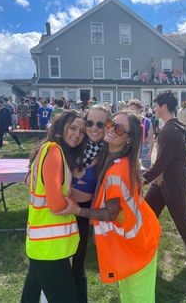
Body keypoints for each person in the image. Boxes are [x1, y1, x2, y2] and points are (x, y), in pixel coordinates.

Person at [59, 111, 161, 303]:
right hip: (134, 242)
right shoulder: (115, 158)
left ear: (129, 139)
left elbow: (111, 213)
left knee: (139, 298)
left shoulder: (117, 170)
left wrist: (78, 210)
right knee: (130, 295)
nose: (111, 129)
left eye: (119, 128)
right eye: (111, 123)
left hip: (141, 243)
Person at [21, 110, 86, 303]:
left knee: (31, 296)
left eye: (82, 131)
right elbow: (56, 204)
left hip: (42, 243)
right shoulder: (53, 151)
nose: (77, 134)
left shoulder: (50, 151)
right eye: (73, 128)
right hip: (51, 248)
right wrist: (73, 203)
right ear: (60, 127)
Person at [143, 91, 186, 269]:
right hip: (162, 181)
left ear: (164, 106)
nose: (154, 109)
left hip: (174, 182)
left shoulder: (170, 131)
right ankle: (143, 248)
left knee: (181, 219)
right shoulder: (172, 127)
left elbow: (161, 164)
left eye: (155, 106)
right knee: (146, 213)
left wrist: (141, 180)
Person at [70, 104, 110, 303]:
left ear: (107, 126)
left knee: (77, 263)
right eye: (90, 123)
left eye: (100, 124)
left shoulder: (109, 154)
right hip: (59, 210)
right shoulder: (75, 141)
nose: (94, 128)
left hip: (82, 214)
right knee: (57, 262)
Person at [128, 99, 154, 169]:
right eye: (130, 110)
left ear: (139, 109)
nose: (131, 112)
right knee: (133, 168)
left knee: (145, 168)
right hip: (133, 146)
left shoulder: (147, 122)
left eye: (133, 109)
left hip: (144, 146)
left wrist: (150, 152)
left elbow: (151, 138)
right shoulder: (128, 121)